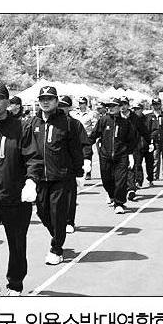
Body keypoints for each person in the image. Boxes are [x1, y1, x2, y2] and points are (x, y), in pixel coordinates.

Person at [0, 83, 42, 296]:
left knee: (17, 244)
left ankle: (15, 284)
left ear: (7, 102)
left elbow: (33, 158)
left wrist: (31, 182)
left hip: (16, 199)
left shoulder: (22, 128)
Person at [29, 88, 84, 266]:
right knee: (42, 212)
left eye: (50, 99)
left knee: (57, 213)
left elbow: (76, 149)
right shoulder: (32, 123)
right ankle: (57, 235)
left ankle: (56, 249)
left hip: (61, 177)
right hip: (40, 178)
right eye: (42, 99)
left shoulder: (68, 123)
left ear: (56, 101)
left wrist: (79, 172)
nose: (45, 102)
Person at [87, 97, 137, 214]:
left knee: (121, 180)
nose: (111, 108)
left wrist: (130, 154)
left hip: (121, 156)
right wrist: (84, 148)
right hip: (105, 155)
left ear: (119, 107)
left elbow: (132, 139)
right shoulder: (103, 120)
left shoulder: (125, 122)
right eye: (109, 106)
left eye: (114, 106)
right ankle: (111, 195)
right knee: (106, 180)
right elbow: (93, 135)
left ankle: (119, 203)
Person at [58, 95, 92, 234]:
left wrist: (86, 160)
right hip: (52, 166)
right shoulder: (48, 123)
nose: (61, 109)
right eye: (59, 105)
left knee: (69, 196)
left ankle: (69, 221)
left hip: (70, 166)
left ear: (69, 108)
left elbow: (85, 143)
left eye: (64, 106)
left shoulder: (75, 124)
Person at [119, 96, 149, 201]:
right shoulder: (115, 116)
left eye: (124, 104)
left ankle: (131, 189)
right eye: (121, 104)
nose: (123, 106)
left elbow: (143, 130)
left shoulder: (134, 118)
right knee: (118, 169)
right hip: (119, 146)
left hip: (133, 146)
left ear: (128, 105)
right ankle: (118, 190)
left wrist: (150, 142)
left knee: (131, 167)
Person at [70, 97, 98, 180]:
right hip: (76, 136)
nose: (81, 105)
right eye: (80, 103)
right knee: (77, 154)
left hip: (87, 136)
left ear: (86, 104)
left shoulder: (91, 114)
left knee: (87, 154)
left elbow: (94, 125)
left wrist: (91, 135)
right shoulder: (74, 113)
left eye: (83, 103)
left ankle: (88, 172)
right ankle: (79, 171)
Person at [148, 97, 163, 181]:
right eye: (154, 104)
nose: (156, 106)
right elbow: (148, 129)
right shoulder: (149, 116)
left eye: (157, 104)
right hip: (155, 141)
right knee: (155, 159)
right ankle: (155, 175)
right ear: (152, 105)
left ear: (160, 105)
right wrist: (150, 140)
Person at [133, 103, 155, 187]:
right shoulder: (132, 120)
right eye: (135, 109)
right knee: (137, 164)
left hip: (148, 144)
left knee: (149, 164)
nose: (136, 111)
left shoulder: (148, 119)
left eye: (138, 109)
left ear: (142, 109)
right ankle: (139, 181)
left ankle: (150, 179)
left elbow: (154, 130)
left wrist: (151, 141)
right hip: (137, 145)